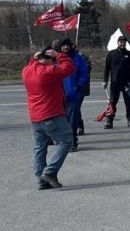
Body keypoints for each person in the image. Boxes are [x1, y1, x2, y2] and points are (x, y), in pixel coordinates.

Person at [22, 46, 75, 190]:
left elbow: (31, 63)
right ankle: (50, 172)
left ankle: (41, 180)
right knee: (66, 141)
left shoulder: (27, 71)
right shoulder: (47, 71)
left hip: (35, 116)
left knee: (39, 148)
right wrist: (60, 56)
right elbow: (68, 68)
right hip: (51, 113)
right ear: (50, 60)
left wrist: (34, 57)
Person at [55, 39, 88, 151]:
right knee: (59, 120)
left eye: (67, 45)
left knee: (72, 120)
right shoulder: (56, 59)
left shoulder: (76, 58)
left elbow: (84, 73)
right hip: (58, 95)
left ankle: (72, 141)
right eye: (63, 46)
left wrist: (78, 85)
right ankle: (60, 139)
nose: (65, 48)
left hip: (72, 94)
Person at [103, 35, 130, 129]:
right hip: (115, 82)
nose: (122, 43)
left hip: (127, 83)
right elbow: (107, 68)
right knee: (112, 102)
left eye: (124, 42)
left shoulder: (129, 54)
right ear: (118, 42)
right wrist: (105, 80)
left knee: (129, 102)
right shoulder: (111, 54)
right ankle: (109, 121)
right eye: (121, 42)